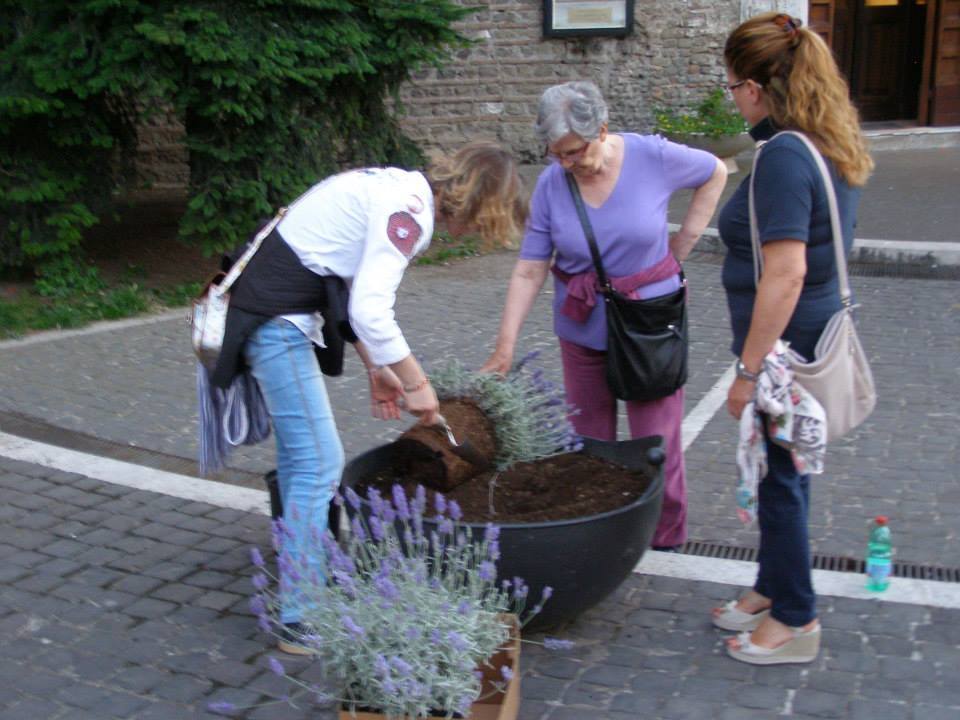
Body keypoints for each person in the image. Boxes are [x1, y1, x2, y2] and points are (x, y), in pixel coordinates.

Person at [208, 141, 526, 653]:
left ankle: (304, 577)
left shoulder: (397, 187)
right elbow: (372, 310)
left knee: (300, 461)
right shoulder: (409, 214)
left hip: (273, 315)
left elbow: (343, 282)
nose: (477, 233)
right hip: (276, 323)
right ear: (479, 201)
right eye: (488, 219)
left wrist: (377, 367)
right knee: (319, 461)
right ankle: (300, 614)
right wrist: (419, 385)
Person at [480, 81, 727, 551]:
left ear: (603, 130)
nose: (567, 163)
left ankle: (664, 532)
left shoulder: (651, 156)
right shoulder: (553, 184)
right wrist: (505, 346)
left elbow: (714, 172)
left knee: (655, 438)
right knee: (589, 441)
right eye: (557, 154)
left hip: (648, 321)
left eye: (575, 152)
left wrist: (684, 244)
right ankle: (602, 528)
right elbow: (531, 269)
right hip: (582, 322)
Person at [713, 13, 873, 664]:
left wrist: (747, 372)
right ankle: (771, 586)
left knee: (782, 479)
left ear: (754, 86)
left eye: (731, 86)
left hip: (785, 352)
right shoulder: (825, 138)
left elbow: (786, 270)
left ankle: (796, 619)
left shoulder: (782, 154)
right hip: (809, 337)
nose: (732, 97)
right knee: (790, 473)